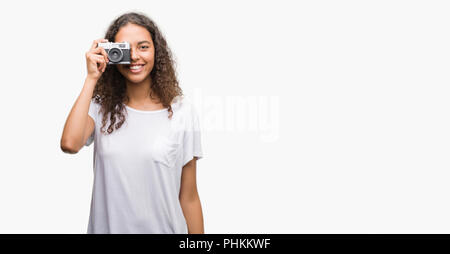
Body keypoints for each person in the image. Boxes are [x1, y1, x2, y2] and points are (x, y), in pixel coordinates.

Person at [60, 12, 204, 234]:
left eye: (143, 47)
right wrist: (91, 78)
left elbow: (189, 197)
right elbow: (69, 143)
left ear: (157, 52)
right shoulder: (99, 108)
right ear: (111, 54)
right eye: (125, 49)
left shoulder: (182, 112)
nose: (134, 56)